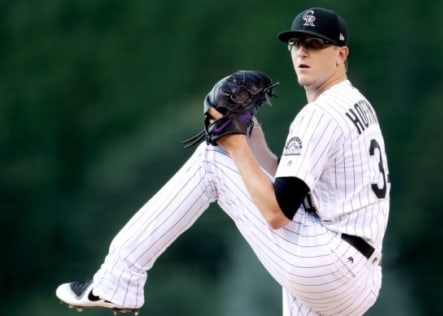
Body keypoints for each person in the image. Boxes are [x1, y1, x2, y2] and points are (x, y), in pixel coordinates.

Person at [56, 7, 390, 316]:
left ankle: (118, 280)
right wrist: (253, 141)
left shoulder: (318, 115)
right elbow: (297, 189)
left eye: (316, 44)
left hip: (328, 263)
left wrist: (235, 144)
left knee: (211, 160)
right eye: (296, 43)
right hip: (359, 276)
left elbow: (277, 213)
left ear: (341, 54)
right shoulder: (356, 104)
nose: (302, 51)